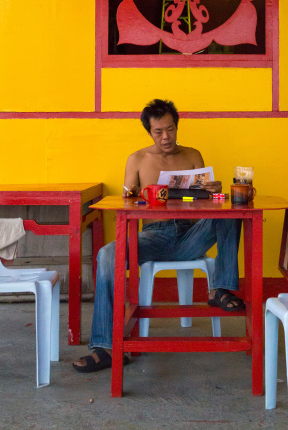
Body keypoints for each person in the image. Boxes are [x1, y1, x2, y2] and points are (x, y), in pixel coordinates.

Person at [73, 98, 244, 373]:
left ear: (177, 127)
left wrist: (213, 191)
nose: (166, 137)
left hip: (191, 235)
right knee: (107, 255)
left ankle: (219, 287)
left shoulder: (192, 155)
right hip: (154, 236)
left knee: (234, 212)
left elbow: (208, 204)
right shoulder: (138, 159)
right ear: (149, 132)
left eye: (170, 129)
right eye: (158, 132)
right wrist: (138, 195)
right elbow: (125, 201)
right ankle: (105, 347)